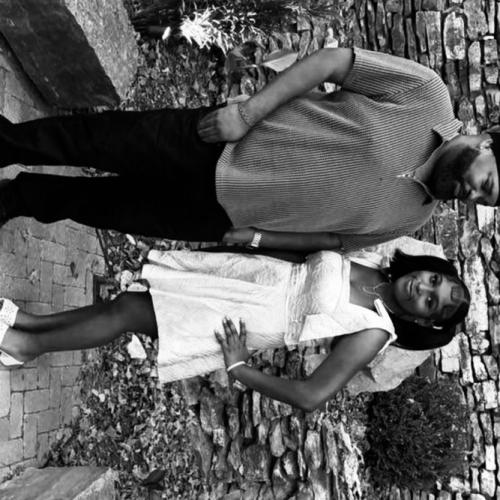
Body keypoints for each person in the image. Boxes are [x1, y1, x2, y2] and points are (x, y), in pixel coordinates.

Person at [0, 47, 498, 252]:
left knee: (101, 207)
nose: (473, 196)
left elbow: (333, 241)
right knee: (96, 142)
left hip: (219, 215)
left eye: (485, 201)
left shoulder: (413, 219)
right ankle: (5, 143)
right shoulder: (426, 94)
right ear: (488, 142)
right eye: (488, 183)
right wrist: (246, 114)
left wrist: (259, 238)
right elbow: (333, 63)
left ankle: (16, 198)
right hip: (220, 144)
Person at [0, 246, 470, 411]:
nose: (424, 289)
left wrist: (240, 368)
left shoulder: (375, 332)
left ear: (422, 319)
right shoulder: (378, 265)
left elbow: (312, 396)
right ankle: (30, 327)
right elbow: (306, 256)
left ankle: (23, 345)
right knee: (129, 304)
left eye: (432, 303)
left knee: (128, 315)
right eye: (435, 281)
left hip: (248, 320)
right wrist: (250, 245)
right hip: (247, 277)